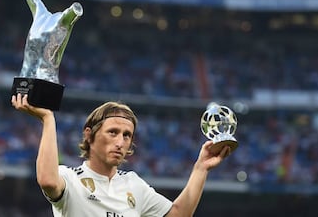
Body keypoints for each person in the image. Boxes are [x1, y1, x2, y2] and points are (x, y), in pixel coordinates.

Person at [12, 93, 231, 217]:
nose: (120, 142)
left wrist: (200, 168)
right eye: (113, 132)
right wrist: (48, 120)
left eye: (127, 135)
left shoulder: (134, 184)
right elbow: (47, 180)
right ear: (89, 135)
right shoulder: (70, 178)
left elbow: (178, 215)